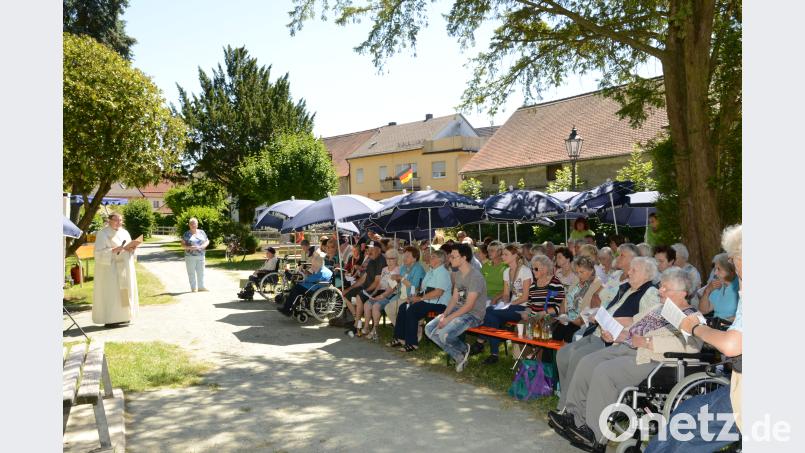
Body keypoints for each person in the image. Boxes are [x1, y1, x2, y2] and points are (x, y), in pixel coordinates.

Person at [550, 268, 703, 449]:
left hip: (651, 359)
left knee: (604, 372)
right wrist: (618, 335)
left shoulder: (692, 317)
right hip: (626, 347)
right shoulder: (658, 308)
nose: (659, 291)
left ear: (682, 293)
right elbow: (633, 327)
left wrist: (648, 342)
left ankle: (594, 435)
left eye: (665, 289)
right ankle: (573, 417)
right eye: (660, 287)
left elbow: (693, 346)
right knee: (587, 361)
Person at [645, 224, 743, 452]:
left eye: (734, 258)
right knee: (687, 410)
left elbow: (732, 344)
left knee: (687, 437)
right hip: (738, 384)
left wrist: (695, 327)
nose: (734, 264)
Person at [555, 256, 660, 411]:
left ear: (646, 274)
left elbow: (644, 323)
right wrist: (598, 314)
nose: (628, 272)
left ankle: (567, 408)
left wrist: (618, 321)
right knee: (563, 353)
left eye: (633, 270)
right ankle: (566, 395)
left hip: (615, 340)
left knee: (578, 357)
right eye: (629, 269)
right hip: (598, 331)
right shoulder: (627, 288)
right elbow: (610, 307)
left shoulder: (650, 293)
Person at [425, 243, 488, 372]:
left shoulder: (476, 277)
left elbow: (469, 305)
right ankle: (460, 353)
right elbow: (454, 298)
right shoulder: (458, 274)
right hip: (458, 310)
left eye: (454, 257)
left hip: (473, 314)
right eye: (451, 256)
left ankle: (462, 352)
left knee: (443, 334)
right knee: (429, 328)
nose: (450, 259)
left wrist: (448, 319)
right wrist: (444, 314)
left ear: (464, 258)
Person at [471, 245, 532, 363]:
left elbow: (525, 297)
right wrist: (504, 304)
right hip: (511, 306)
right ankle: (494, 354)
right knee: (491, 315)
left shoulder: (525, 271)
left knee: (489, 312)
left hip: (523, 308)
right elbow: (505, 294)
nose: (502, 256)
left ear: (515, 256)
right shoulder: (507, 271)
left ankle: (483, 344)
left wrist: (508, 305)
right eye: (502, 254)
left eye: (506, 254)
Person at [389, 249, 452, 352]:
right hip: (428, 300)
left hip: (439, 303)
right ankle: (399, 338)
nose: (429, 258)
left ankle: (412, 343)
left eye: (433, 257)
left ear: (440, 260)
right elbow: (424, 289)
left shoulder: (442, 273)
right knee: (403, 307)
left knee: (412, 310)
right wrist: (414, 297)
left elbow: (438, 292)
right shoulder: (431, 271)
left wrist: (420, 298)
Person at [92, 212, 139, 326]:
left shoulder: (125, 232)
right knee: (113, 293)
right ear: (109, 220)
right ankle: (111, 319)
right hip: (110, 269)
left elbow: (130, 248)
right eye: (117, 220)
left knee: (125, 291)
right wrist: (113, 250)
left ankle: (124, 316)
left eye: (121, 220)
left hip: (125, 267)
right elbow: (98, 254)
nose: (119, 222)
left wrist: (132, 248)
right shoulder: (103, 234)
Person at [553, 256, 602, 343]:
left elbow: (594, 309)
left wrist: (576, 320)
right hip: (567, 319)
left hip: (580, 323)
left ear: (591, 271)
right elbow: (565, 300)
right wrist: (561, 315)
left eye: (581, 272)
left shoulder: (598, 284)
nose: (579, 275)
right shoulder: (576, 280)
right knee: (554, 334)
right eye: (577, 272)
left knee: (568, 335)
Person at [342, 241, 385, 336]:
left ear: (379, 250)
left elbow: (377, 281)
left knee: (359, 296)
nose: (369, 252)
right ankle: (357, 319)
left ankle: (357, 325)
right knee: (345, 294)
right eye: (368, 249)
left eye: (372, 249)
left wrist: (365, 291)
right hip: (366, 287)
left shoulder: (381, 260)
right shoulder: (371, 260)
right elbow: (363, 278)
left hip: (377, 289)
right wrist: (349, 289)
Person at [362, 249, 402, 340]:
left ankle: (375, 330)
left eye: (391, 258)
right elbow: (380, 284)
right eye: (387, 258)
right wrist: (373, 293)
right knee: (367, 304)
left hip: (390, 294)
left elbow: (392, 289)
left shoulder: (398, 270)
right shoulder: (384, 269)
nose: (388, 260)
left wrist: (381, 296)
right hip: (381, 292)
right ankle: (366, 327)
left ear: (396, 259)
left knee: (376, 306)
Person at [278, 252, 333, 316]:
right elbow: (312, 278)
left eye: (313, 264)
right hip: (314, 286)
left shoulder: (322, 272)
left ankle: (287, 309)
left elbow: (310, 279)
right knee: (295, 289)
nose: (312, 266)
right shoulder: (323, 270)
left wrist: (304, 278)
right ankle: (290, 308)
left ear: (317, 263)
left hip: (314, 288)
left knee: (295, 289)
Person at [383, 246, 426, 327]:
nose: (404, 258)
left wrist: (400, 278)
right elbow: (399, 283)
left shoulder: (418, 269)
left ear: (414, 258)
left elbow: (414, 286)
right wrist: (395, 280)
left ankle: (404, 330)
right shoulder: (403, 267)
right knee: (390, 305)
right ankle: (403, 329)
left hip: (413, 296)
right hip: (401, 294)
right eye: (404, 256)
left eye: (407, 256)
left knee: (389, 308)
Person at [698, 253, 739, 321]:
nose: (715, 273)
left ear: (729, 270)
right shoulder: (718, 285)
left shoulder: (739, 286)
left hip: (731, 328)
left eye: (718, 269)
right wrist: (707, 291)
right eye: (715, 269)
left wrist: (729, 321)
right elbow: (703, 310)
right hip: (717, 326)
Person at [181, 217, 210, 292]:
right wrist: (189, 247)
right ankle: (193, 288)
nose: (193, 225)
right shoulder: (186, 234)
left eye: (195, 224)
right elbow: (182, 245)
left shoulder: (202, 232)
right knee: (191, 272)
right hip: (190, 256)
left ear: (197, 225)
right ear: (189, 225)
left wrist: (203, 246)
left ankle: (201, 287)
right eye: (191, 224)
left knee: (201, 272)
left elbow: (207, 241)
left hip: (201, 255)